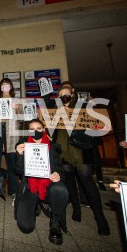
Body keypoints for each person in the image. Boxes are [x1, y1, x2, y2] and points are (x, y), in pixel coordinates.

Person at [54, 86, 110, 235]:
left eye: (66, 94)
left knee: (87, 182)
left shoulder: (83, 107)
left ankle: (100, 218)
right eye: (61, 95)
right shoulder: (55, 111)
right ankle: (76, 209)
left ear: (72, 95)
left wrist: (91, 104)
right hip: (64, 151)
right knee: (70, 181)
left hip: (81, 150)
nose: (64, 97)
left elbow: (96, 122)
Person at [15, 119, 69, 245]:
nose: (35, 131)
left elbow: (60, 168)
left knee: (60, 189)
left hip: (48, 184)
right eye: (32, 129)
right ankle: (35, 206)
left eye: (38, 128)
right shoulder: (23, 144)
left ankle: (55, 222)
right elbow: (18, 170)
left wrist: (58, 174)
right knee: (25, 227)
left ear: (43, 129)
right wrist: (19, 155)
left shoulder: (52, 146)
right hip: (31, 186)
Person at [0, 78, 20, 200]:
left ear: (11, 87)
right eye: (3, 84)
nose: (5, 86)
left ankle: (14, 192)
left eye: (7, 84)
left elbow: (22, 118)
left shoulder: (16, 100)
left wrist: (17, 108)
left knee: (11, 162)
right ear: (0, 87)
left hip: (11, 133)